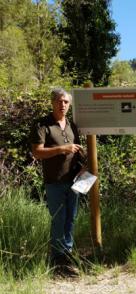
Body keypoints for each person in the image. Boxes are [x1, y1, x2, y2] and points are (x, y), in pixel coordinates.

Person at [30, 88, 85, 277]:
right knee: (58, 220)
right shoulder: (42, 124)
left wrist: (84, 167)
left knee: (71, 219)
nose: (62, 105)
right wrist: (62, 149)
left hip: (74, 181)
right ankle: (57, 259)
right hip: (54, 182)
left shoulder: (72, 125)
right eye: (59, 101)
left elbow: (77, 151)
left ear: (69, 105)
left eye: (66, 102)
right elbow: (37, 152)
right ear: (52, 102)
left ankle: (67, 256)